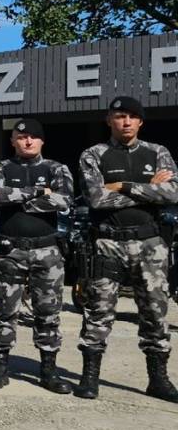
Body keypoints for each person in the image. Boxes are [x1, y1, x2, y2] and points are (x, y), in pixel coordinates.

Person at [75, 96, 178, 402]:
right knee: (98, 310)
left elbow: (172, 192)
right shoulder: (94, 155)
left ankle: (158, 380)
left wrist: (122, 186)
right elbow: (95, 198)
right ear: (109, 120)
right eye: (120, 116)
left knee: (155, 313)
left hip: (150, 244)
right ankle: (89, 378)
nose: (126, 122)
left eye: (133, 116)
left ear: (141, 122)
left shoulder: (157, 152)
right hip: (107, 242)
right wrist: (149, 188)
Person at [0, 118, 73, 394]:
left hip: (47, 251)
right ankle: (0, 368)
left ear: (42, 141)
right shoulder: (1, 168)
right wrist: (38, 193)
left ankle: (48, 371)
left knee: (47, 312)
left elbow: (64, 201)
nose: (27, 141)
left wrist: (20, 198)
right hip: (10, 250)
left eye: (33, 137)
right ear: (13, 141)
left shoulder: (56, 168)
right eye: (21, 137)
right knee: (4, 311)